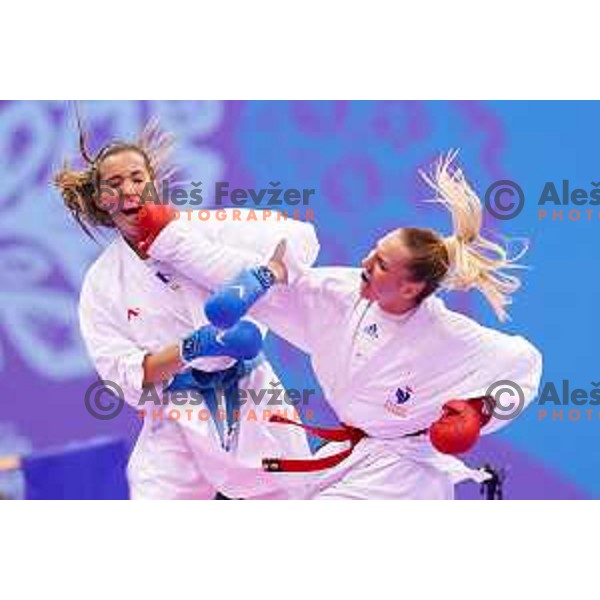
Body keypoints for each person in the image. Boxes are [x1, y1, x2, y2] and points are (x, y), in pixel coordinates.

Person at [140, 152, 543, 499]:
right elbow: (257, 282)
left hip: (403, 478)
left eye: (382, 263)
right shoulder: (340, 293)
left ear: (410, 287)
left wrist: (481, 410)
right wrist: (170, 239)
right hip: (354, 456)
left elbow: (524, 365)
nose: (366, 262)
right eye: (374, 251)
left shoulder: (448, 334)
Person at [54, 119, 319, 499]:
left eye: (136, 177)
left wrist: (258, 278)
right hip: (176, 416)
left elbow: (302, 241)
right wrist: (194, 349)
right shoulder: (103, 283)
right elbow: (124, 371)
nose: (129, 190)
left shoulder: (206, 229)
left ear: (153, 182)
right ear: (100, 200)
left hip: (255, 396)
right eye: (114, 184)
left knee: (294, 499)